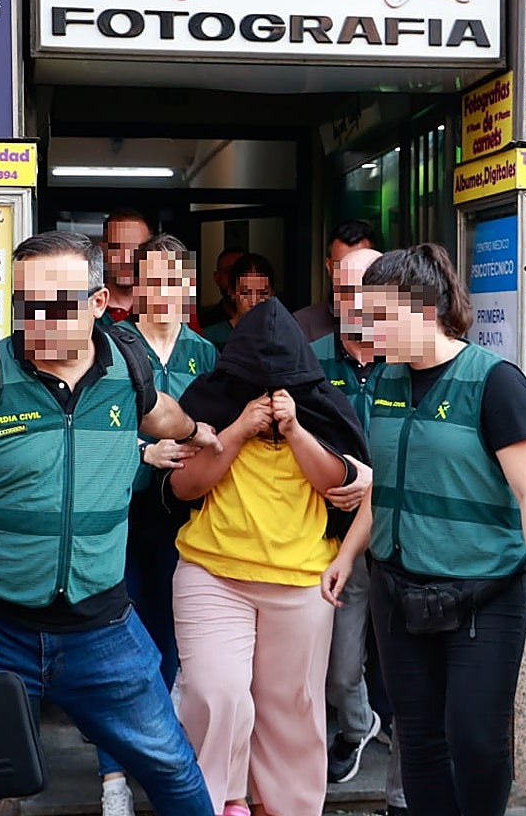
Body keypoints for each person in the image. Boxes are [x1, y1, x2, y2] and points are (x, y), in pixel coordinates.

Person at [0, 230, 219, 816]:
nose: (38, 318)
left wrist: (196, 433)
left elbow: (159, 411)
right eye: (26, 303)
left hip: (102, 631)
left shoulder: (130, 369)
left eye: (58, 302)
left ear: (97, 304)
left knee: (176, 774)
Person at [322, 243, 526, 816]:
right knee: (420, 742)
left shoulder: (493, 383)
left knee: (477, 740)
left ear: (424, 310)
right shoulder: (384, 380)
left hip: (482, 596)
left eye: (381, 315)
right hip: (398, 591)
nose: (367, 328)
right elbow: (384, 486)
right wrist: (347, 554)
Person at [170, 296, 369, 816]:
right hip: (212, 573)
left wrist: (296, 429)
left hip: (302, 580)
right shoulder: (210, 400)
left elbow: (340, 484)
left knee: (293, 709)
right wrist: (237, 429)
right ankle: (217, 802)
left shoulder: (321, 404)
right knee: (217, 695)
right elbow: (183, 488)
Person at [96, 234, 219, 816]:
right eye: (154, 281)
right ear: (134, 284)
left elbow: (219, 430)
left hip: (189, 523)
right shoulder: (112, 346)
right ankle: (113, 777)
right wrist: (143, 453)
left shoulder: (207, 352)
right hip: (121, 516)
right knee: (117, 643)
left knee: (175, 645)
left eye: (176, 281)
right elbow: (92, 424)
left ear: (189, 286)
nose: (165, 293)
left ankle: (165, 764)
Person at [304, 245, 400, 799]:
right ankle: (359, 725)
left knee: (410, 667)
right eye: (343, 290)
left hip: (400, 534)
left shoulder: (411, 358)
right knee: (341, 669)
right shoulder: (311, 358)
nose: (353, 301)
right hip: (334, 534)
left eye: (365, 289)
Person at [294, 220, 376, 343]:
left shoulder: (395, 324)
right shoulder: (302, 325)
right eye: (343, 267)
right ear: (329, 267)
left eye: (361, 265)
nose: (352, 275)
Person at [202, 253, 274, 352]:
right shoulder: (209, 339)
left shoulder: (283, 336)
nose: (253, 302)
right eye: (245, 293)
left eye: (262, 293)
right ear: (232, 292)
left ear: (272, 293)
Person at [101, 208, 153, 326]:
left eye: (137, 249)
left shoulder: (170, 305)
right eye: (116, 247)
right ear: (103, 250)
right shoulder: (85, 309)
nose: (126, 258)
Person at [197, 247, 245, 329]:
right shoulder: (202, 323)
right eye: (229, 272)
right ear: (217, 278)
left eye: (242, 272)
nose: (235, 278)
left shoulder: (268, 318)